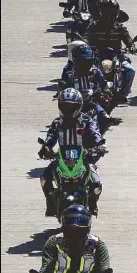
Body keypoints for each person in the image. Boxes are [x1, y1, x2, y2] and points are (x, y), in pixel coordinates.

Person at [39, 89, 105, 217]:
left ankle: (92, 204)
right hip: (61, 158)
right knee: (44, 179)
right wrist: (45, 148)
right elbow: (50, 137)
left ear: (79, 105)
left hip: (84, 158)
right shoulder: (57, 123)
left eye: (71, 106)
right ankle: (50, 204)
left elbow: (94, 132)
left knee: (96, 184)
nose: (67, 109)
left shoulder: (86, 120)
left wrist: (99, 145)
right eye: (64, 106)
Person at [58, 43, 121, 134]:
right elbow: (64, 87)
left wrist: (106, 91)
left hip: (92, 103)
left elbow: (104, 83)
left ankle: (100, 138)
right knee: (63, 120)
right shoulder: (70, 73)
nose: (84, 64)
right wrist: (62, 90)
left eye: (86, 62)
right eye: (81, 62)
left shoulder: (95, 71)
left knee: (105, 118)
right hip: (74, 104)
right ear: (75, 60)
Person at [86, 0, 137, 103]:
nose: (109, 16)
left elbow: (127, 38)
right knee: (88, 71)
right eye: (106, 12)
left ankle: (124, 94)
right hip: (99, 55)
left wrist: (132, 46)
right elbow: (89, 40)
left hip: (116, 55)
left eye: (111, 12)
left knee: (130, 70)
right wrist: (89, 47)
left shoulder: (119, 27)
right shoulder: (94, 26)